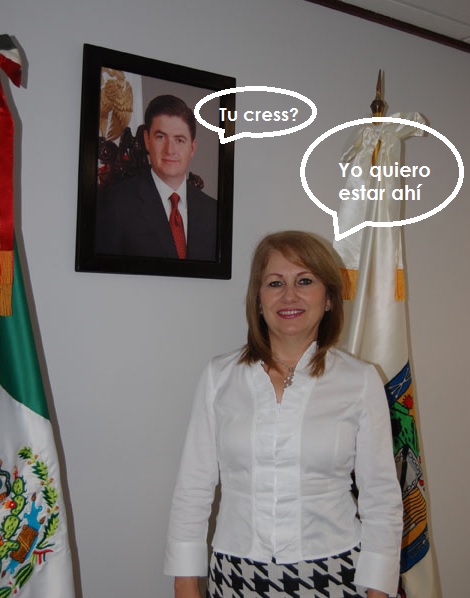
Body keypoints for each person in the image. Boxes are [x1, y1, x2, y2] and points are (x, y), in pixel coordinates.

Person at [164, 231, 403, 597]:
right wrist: (184, 583)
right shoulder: (219, 377)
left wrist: (379, 590)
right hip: (236, 574)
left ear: (328, 299)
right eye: (275, 283)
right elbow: (192, 489)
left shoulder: (360, 380)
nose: (289, 295)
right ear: (258, 300)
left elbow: (381, 497)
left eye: (305, 281)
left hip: (334, 573)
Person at [94, 94, 217, 261]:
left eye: (179, 140)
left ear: (192, 148)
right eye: (161, 137)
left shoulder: (213, 212)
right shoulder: (114, 203)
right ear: (147, 140)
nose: (170, 150)